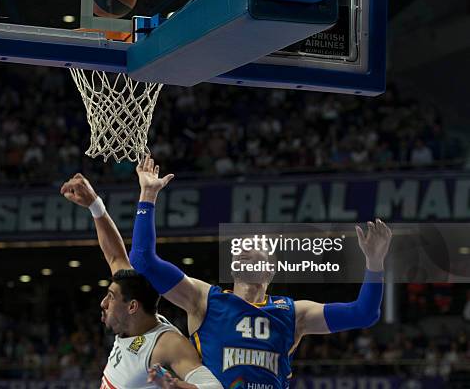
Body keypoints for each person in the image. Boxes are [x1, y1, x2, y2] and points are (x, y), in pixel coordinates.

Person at [128, 157, 392, 389]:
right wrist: (148, 196)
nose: (241, 250)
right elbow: (142, 261)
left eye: (253, 246)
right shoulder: (204, 299)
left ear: (270, 267)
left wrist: (375, 262)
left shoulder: (293, 313)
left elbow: (364, 313)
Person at [60, 174, 222, 389]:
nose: (103, 303)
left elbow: (213, 387)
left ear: (132, 306)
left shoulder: (167, 344)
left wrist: (174, 386)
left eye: (110, 297)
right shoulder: (130, 315)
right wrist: (94, 205)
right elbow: (115, 256)